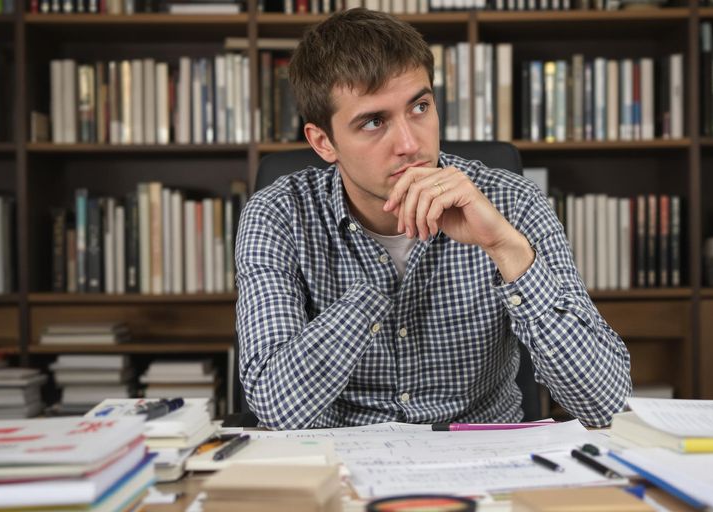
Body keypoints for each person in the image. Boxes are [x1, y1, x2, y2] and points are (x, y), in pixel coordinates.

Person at [235, 8, 631, 430]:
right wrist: (378, 283)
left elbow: (604, 403)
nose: (409, 143)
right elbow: (276, 409)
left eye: (420, 106)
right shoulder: (276, 214)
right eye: (373, 121)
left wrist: (506, 248)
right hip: (343, 467)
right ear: (323, 142)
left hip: (485, 463)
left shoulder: (513, 202)